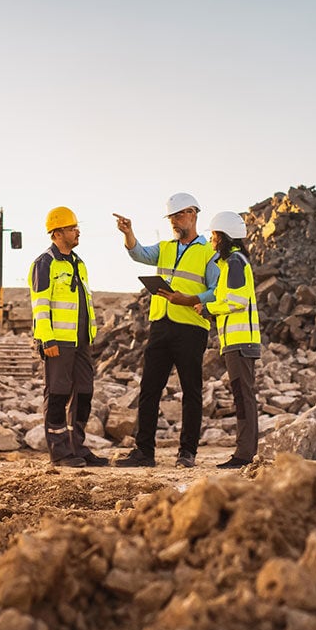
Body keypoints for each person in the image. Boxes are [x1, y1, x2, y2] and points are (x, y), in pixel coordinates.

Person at [113, 193, 218, 469]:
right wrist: (128, 232)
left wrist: (194, 299)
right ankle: (144, 452)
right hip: (161, 326)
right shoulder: (165, 248)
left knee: (191, 392)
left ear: (193, 214)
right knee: (148, 389)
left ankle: (187, 452)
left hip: (191, 329)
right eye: (171, 217)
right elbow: (139, 254)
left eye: (178, 216)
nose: (174, 221)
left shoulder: (209, 252)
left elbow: (216, 290)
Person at [28, 206, 106, 468]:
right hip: (58, 342)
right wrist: (46, 339)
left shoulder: (78, 263)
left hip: (81, 341)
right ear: (57, 233)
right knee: (58, 393)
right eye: (72, 228)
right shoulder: (45, 263)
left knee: (84, 392)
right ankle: (60, 453)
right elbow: (40, 304)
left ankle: (78, 448)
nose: (77, 231)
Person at [198, 211, 262, 469]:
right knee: (242, 395)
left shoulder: (235, 262)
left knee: (243, 397)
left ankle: (244, 454)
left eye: (213, 235)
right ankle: (244, 452)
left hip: (241, 342)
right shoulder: (233, 263)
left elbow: (236, 302)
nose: (211, 241)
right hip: (236, 342)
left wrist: (209, 308)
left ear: (223, 236)